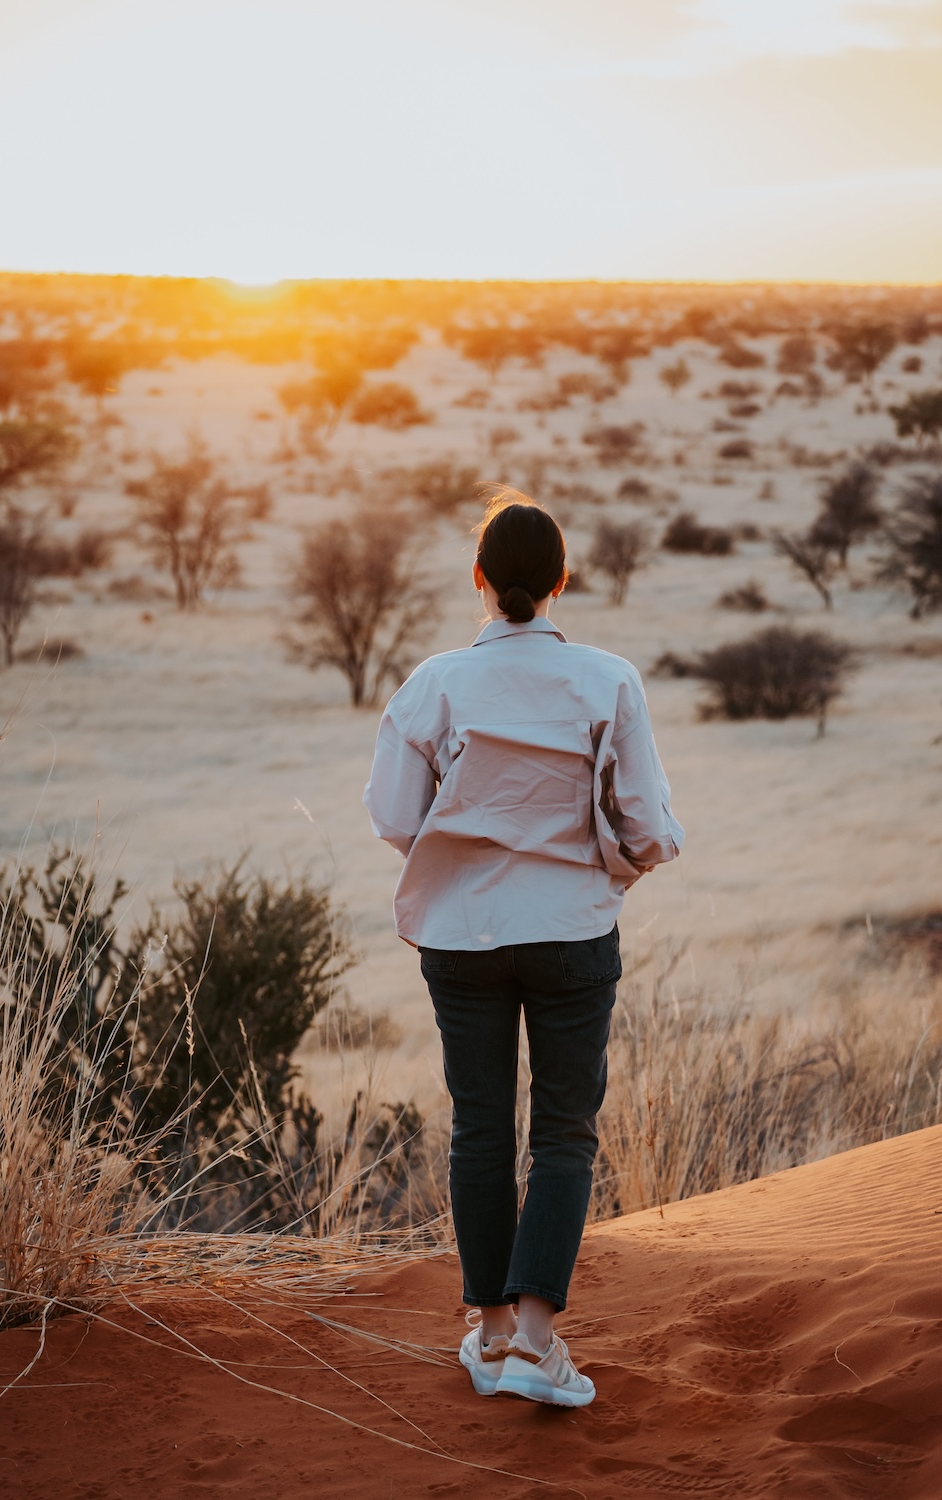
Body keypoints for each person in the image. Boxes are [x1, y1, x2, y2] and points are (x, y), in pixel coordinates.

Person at [363, 491, 683, 1408]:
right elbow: (648, 828)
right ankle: (540, 1343)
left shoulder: (433, 685)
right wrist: (623, 863)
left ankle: (491, 1335)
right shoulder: (607, 680)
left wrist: (460, 849)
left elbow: (392, 816)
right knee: (564, 1134)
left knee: (479, 1127)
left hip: (461, 938)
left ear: (478, 580)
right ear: (560, 581)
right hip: (574, 934)